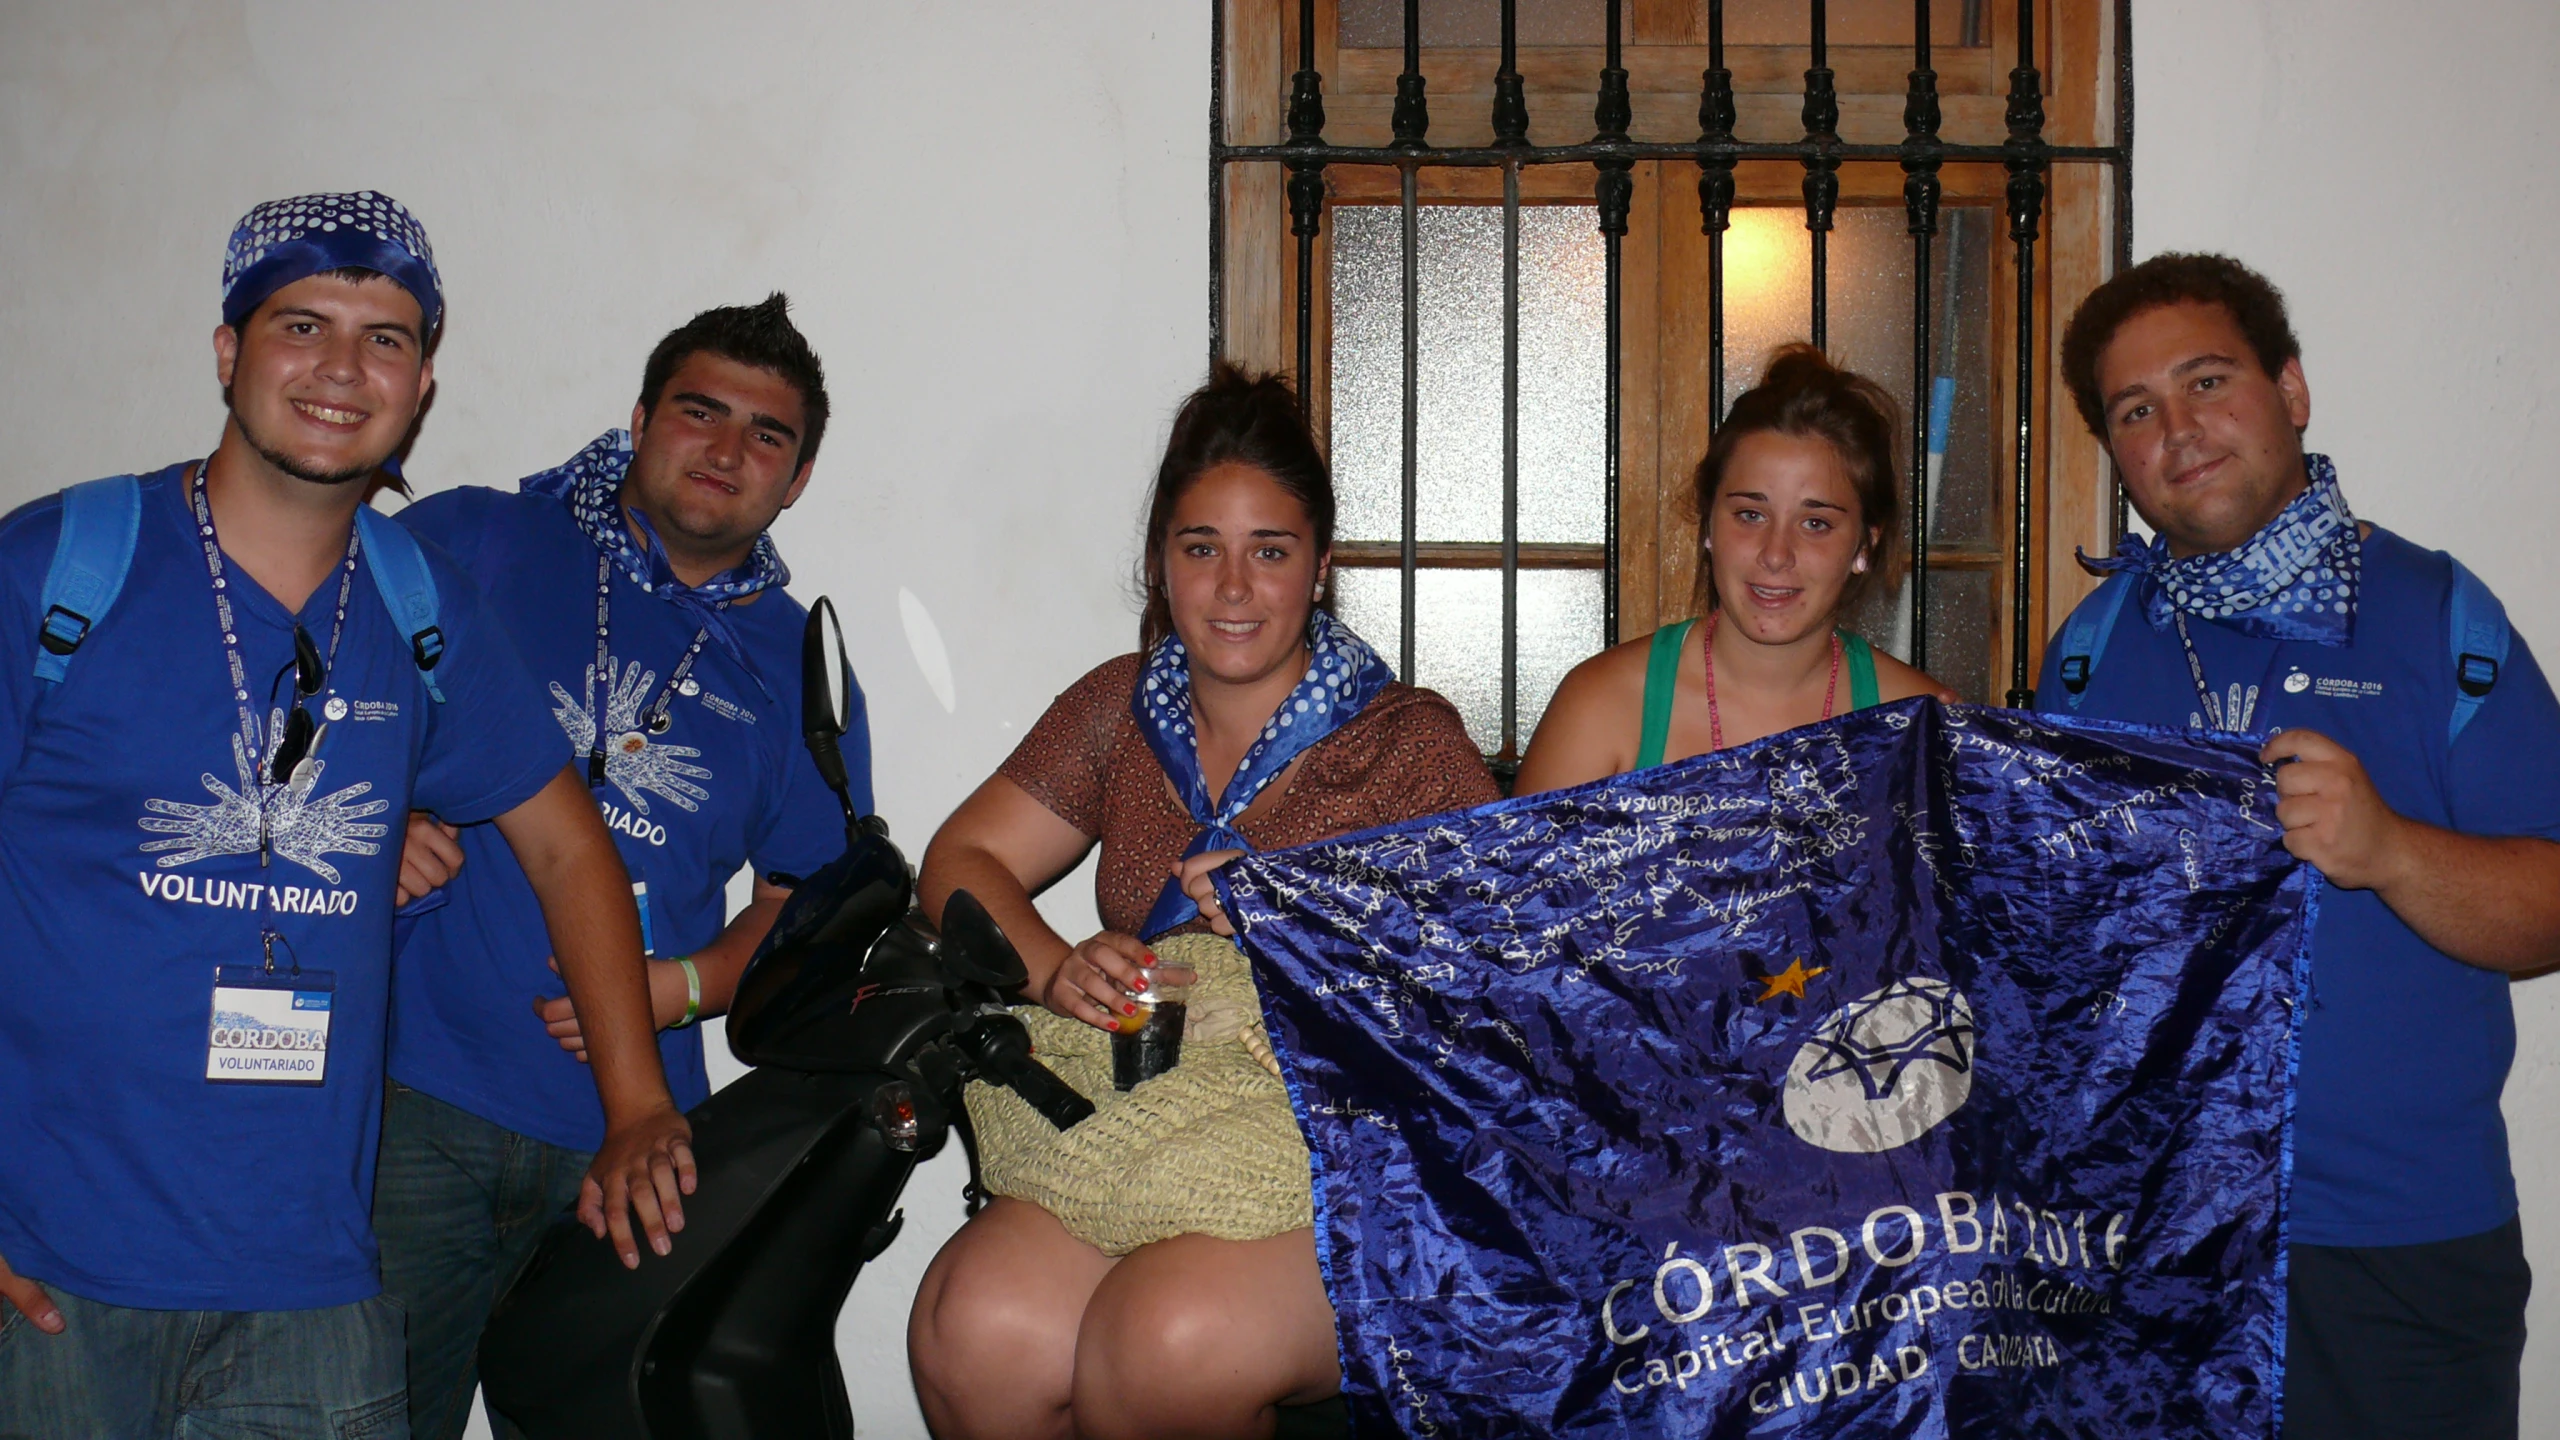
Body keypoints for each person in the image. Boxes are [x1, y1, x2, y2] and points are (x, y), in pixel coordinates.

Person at [0, 192, 692, 1438]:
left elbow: (564, 840)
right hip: (54, 1273)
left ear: (422, 382)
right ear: (229, 353)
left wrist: (636, 1105)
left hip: (316, 1285)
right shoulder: (61, 568)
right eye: (301, 324)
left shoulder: (421, 607)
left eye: (385, 338)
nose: (340, 370)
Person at [905, 366, 1499, 1440]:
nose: (1234, 587)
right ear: (1157, 565)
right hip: (1149, 1115)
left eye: (1269, 551)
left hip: (1336, 1155)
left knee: (1163, 1340)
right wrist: (1050, 964)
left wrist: (1300, 926)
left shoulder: (1408, 744)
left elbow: (1488, 988)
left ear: (1319, 568)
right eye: (1200, 549)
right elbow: (960, 858)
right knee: (971, 1322)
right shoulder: (1117, 709)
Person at [2043, 252, 2560, 1440]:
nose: (2177, 429)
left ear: (2291, 390)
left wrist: (2387, 850)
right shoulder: (2084, 651)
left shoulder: (2441, 616)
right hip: (2146, 1247)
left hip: (2393, 1248)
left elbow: (2550, 906)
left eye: (2208, 381)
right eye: (2134, 410)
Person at [373, 294, 868, 1440]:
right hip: (414, 1099)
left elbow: (809, 911)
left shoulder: (800, 665)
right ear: (641, 419)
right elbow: (297, 655)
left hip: (634, 1145)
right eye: (701, 413)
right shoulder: (483, 537)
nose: (727, 450)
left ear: (794, 481)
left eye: (767, 436)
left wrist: (684, 987)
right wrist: (368, 812)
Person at [1515, 345, 1955, 795]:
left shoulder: (1924, 728)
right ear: (1708, 524)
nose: (1776, 554)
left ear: (1865, 544)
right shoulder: (1600, 706)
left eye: (1815, 523)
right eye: (1750, 515)